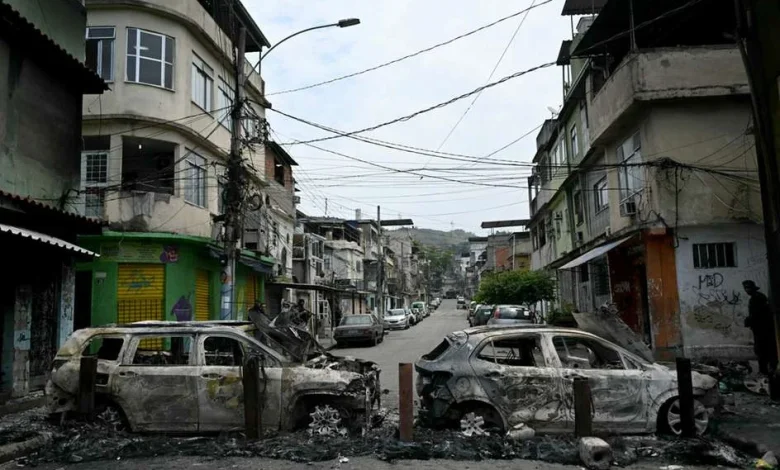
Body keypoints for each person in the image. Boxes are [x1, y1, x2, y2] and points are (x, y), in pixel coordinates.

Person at [743, 280, 779, 375]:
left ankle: (765, 370)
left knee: (762, 350)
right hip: (762, 328)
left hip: (762, 329)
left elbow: (758, 314)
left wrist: (749, 320)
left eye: (748, 288)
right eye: (746, 288)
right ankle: (768, 369)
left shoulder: (757, 298)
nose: (747, 290)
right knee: (765, 349)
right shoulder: (758, 297)